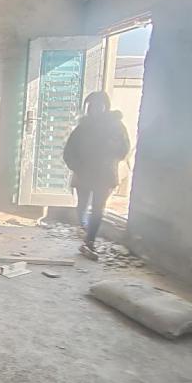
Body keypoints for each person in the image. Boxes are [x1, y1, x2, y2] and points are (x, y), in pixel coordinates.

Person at [63, 91, 130, 258]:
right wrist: (77, 167)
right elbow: (69, 151)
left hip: (104, 174)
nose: (95, 109)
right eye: (91, 106)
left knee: (98, 209)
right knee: (82, 207)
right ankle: (85, 229)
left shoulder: (116, 127)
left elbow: (124, 150)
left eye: (99, 105)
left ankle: (90, 241)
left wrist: (111, 149)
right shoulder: (83, 127)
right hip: (84, 173)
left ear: (106, 106)